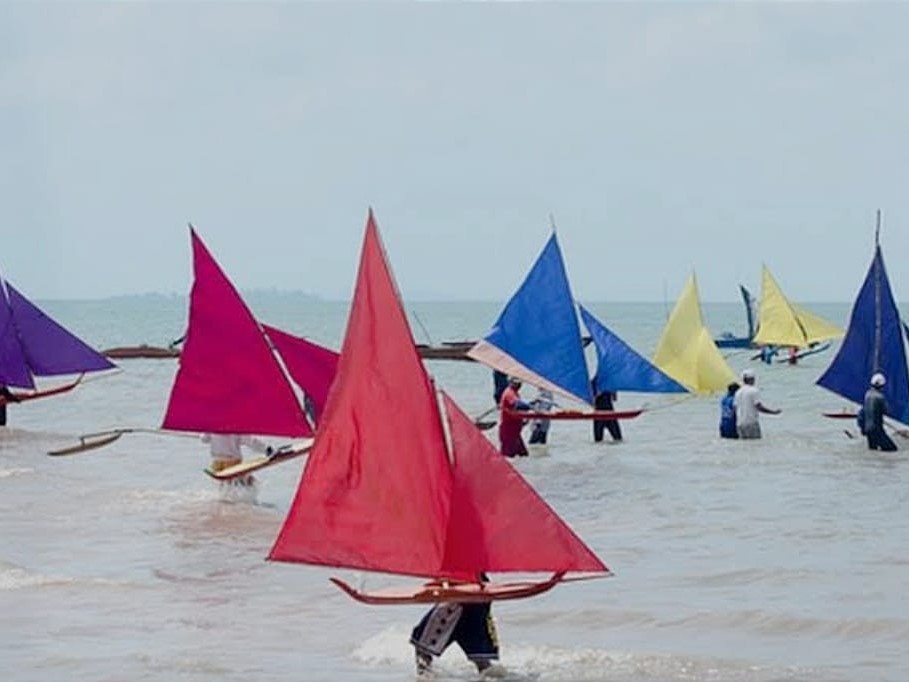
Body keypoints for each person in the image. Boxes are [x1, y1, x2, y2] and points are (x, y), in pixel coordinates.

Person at [410, 576, 499, 675]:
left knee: (422, 647)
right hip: (479, 590)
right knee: (481, 659)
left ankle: (424, 676)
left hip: (458, 596)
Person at [201, 433, 274, 485]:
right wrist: (266, 449)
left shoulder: (214, 426)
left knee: (225, 486)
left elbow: (204, 439)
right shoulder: (235, 428)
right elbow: (251, 441)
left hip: (217, 463)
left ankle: (225, 503)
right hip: (232, 463)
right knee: (248, 484)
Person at [733, 369, 780, 439]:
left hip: (740, 423)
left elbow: (734, 408)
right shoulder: (753, 391)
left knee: (744, 445)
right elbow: (759, 407)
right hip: (751, 422)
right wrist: (773, 412)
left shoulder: (738, 392)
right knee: (755, 444)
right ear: (751, 379)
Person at [862, 372, 897, 452]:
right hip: (877, 430)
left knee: (873, 451)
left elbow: (863, 412)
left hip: (868, 429)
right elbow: (886, 411)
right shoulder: (880, 397)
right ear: (882, 386)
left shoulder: (867, 395)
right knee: (892, 449)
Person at [498, 377, 530, 457]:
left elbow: (514, 409)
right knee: (508, 457)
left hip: (515, 431)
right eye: (515, 383)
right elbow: (517, 404)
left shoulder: (515, 393)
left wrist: (522, 420)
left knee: (523, 455)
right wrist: (530, 406)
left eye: (519, 383)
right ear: (510, 383)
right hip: (509, 432)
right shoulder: (509, 393)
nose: (518, 385)